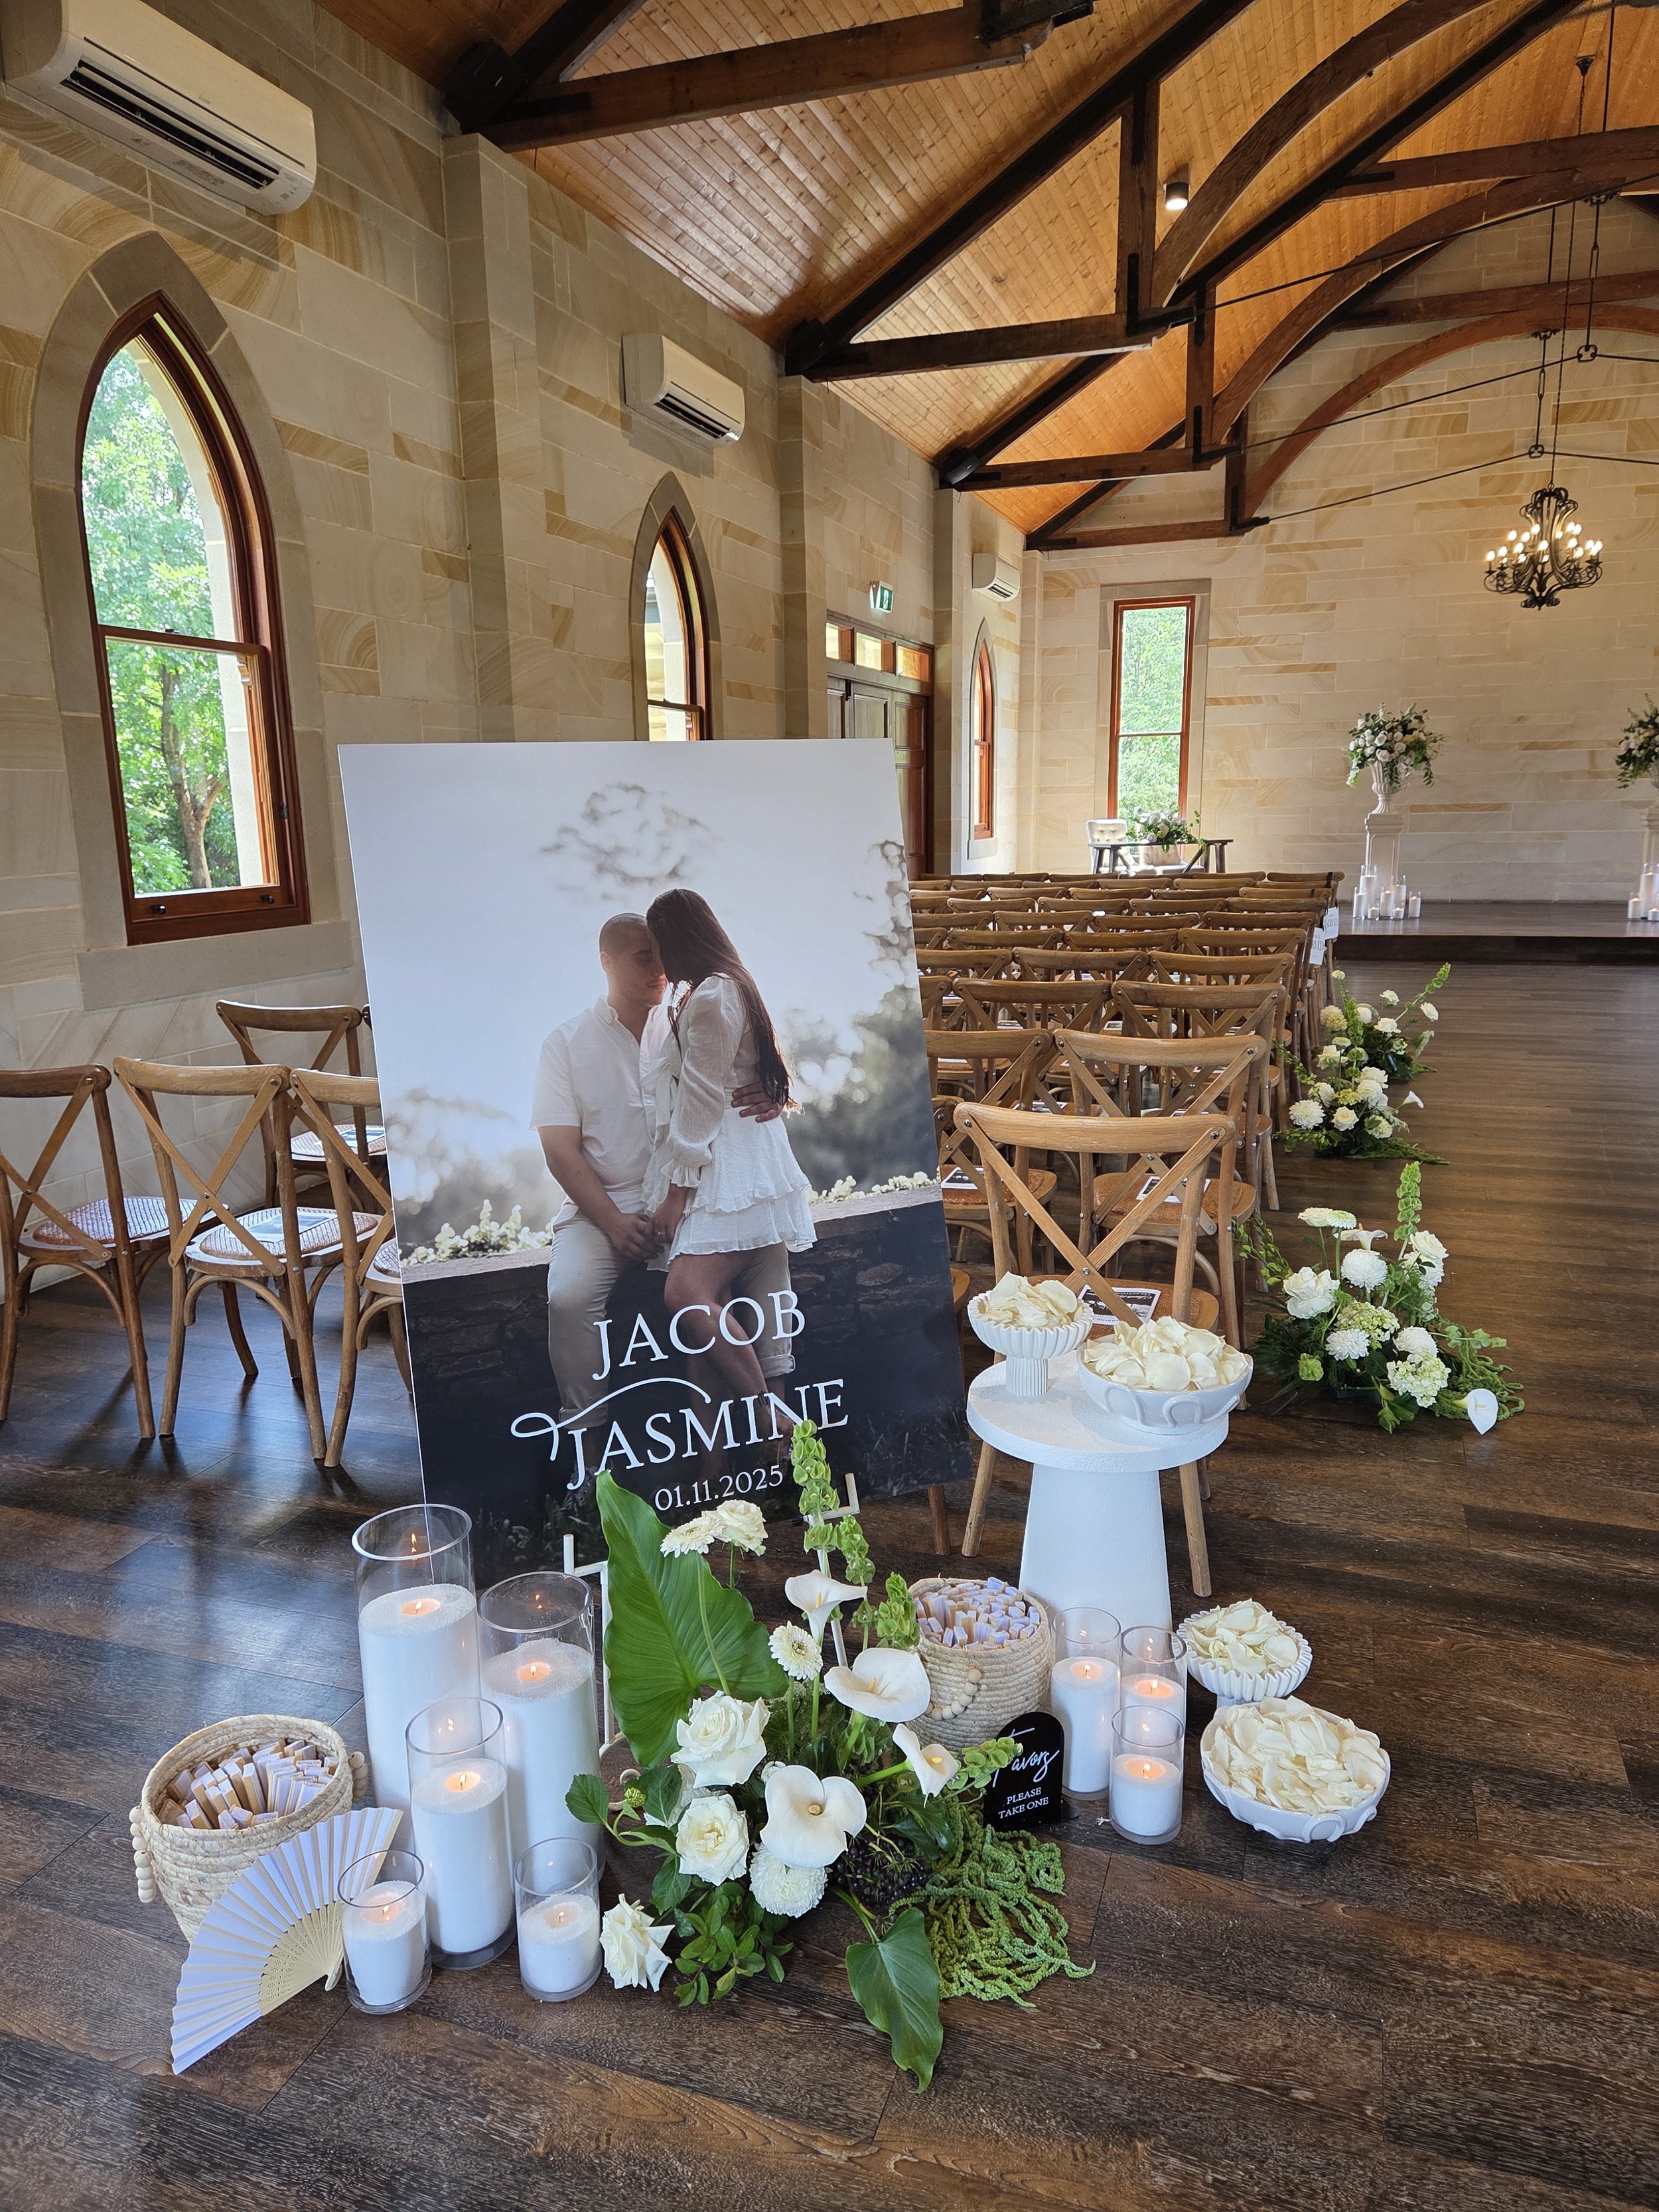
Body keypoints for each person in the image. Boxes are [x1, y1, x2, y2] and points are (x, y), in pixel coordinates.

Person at [532, 914, 792, 1446]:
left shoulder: (692, 1012)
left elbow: (745, 1071)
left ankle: (771, 1433)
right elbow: (558, 1150)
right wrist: (611, 1220)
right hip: (602, 1207)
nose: (659, 967)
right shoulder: (564, 1044)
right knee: (569, 1296)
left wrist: (771, 1092)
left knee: (769, 1254)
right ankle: (589, 1454)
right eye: (642, 956)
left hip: (692, 1197)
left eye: (660, 952)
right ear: (606, 962)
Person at [639, 890, 816, 1446]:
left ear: (678, 938)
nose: (658, 959)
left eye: (658, 945)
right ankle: (723, 1465)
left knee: (685, 1293)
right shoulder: (728, 985)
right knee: (714, 1324)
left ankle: (766, 1411)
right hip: (743, 1159)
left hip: (729, 1168)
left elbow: (701, 1102)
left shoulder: (715, 995)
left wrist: (676, 1193)